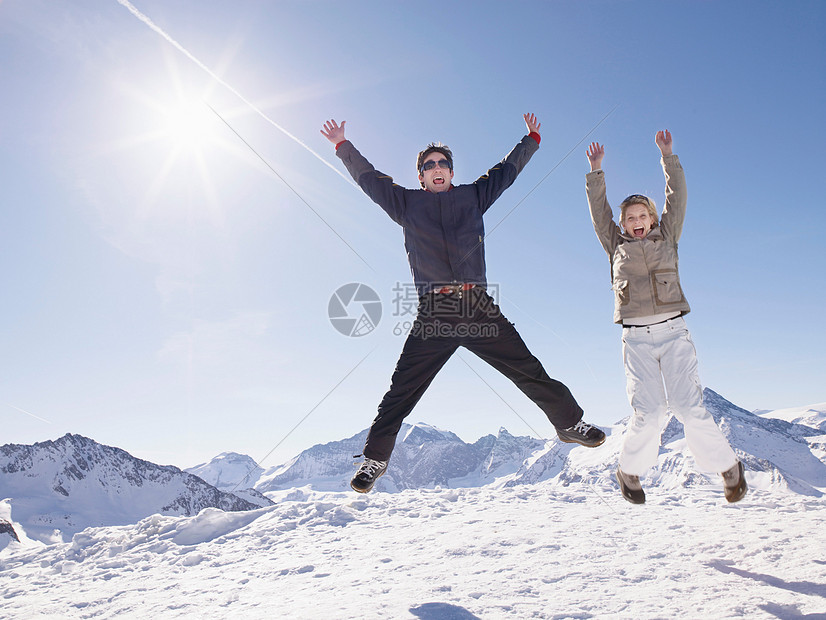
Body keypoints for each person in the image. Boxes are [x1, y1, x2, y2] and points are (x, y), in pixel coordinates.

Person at [321, 113, 606, 493]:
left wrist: (532, 139)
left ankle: (569, 424)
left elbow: (506, 171)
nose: (437, 168)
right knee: (401, 390)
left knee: (528, 369)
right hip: (435, 313)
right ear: (420, 176)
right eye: (429, 165)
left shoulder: (473, 196)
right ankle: (375, 460)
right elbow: (369, 179)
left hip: (477, 307)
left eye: (443, 164)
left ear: (451, 173)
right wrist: (343, 146)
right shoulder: (405, 204)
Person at [585, 130, 747, 504]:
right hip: (637, 339)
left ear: (654, 219)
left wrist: (668, 156)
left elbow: (678, 197)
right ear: (623, 224)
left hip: (674, 333)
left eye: (643, 215)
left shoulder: (667, 238)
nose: (637, 221)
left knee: (690, 408)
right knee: (650, 413)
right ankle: (629, 471)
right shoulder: (615, 246)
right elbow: (598, 213)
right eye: (630, 218)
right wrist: (596, 172)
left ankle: (729, 469)